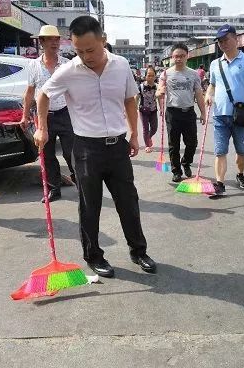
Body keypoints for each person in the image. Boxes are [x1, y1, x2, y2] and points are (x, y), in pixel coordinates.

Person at [34, 15, 156, 278]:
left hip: (117, 147)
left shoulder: (121, 65)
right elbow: (43, 95)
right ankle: (93, 255)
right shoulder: (68, 71)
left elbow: (129, 100)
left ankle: (138, 251)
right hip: (86, 148)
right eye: (79, 51)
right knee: (90, 206)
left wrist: (134, 134)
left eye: (91, 49)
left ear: (103, 40)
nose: (86, 56)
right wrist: (42, 127)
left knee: (128, 202)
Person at [205, 24, 244, 195]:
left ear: (236, 39)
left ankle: (240, 174)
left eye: (226, 40)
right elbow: (212, 85)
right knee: (220, 151)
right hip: (219, 115)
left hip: (240, 114)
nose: (222, 44)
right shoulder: (215, 64)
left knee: (241, 150)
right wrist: (208, 95)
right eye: (220, 41)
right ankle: (220, 183)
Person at [21, 25, 73, 203]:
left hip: (66, 114)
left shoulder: (67, 64)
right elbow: (29, 93)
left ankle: (79, 180)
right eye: (50, 39)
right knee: (48, 155)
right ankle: (54, 188)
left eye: (57, 39)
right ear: (41, 42)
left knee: (71, 153)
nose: (55, 42)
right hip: (44, 117)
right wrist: (24, 114)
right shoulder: (33, 65)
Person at [156, 43, 206, 182]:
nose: (179, 59)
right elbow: (159, 90)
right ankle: (176, 171)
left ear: (187, 56)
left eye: (182, 56)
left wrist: (203, 112)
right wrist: (159, 93)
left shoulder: (194, 74)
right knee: (174, 144)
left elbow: (199, 94)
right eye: (176, 56)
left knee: (192, 143)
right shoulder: (166, 74)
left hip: (189, 112)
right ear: (172, 57)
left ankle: (186, 162)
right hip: (172, 113)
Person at [135, 65, 158, 153]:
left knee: (154, 128)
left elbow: (159, 97)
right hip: (143, 111)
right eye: (149, 75)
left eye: (152, 75)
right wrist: (134, 108)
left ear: (155, 76)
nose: (150, 77)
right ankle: (147, 145)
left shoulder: (157, 86)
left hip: (153, 110)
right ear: (145, 76)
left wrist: (162, 110)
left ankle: (148, 138)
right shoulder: (140, 87)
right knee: (145, 128)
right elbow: (136, 98)